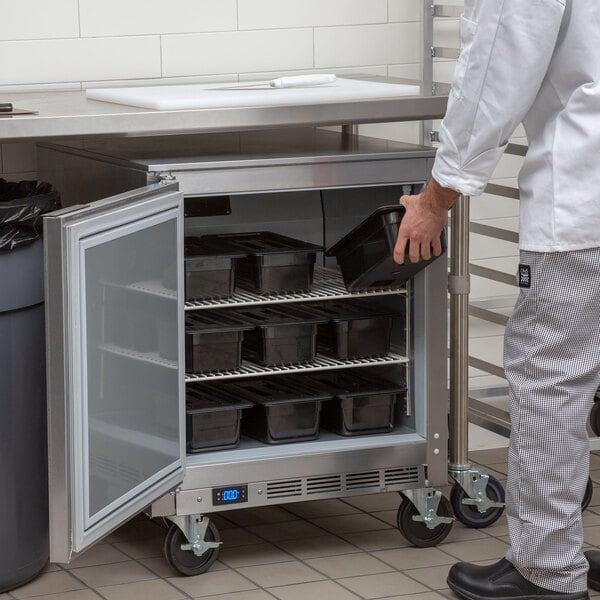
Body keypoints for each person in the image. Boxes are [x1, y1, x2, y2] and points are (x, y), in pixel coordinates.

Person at [394, 1, 600, 599]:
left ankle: (548, 570)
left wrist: (438, 196)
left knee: (550, 374)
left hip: (586, 203)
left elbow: (496, 65)